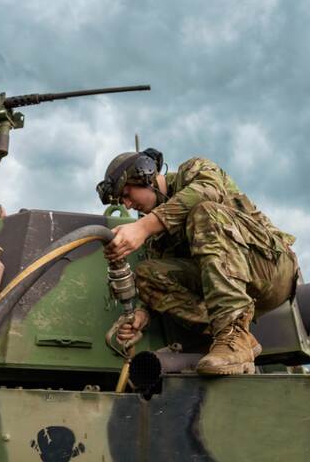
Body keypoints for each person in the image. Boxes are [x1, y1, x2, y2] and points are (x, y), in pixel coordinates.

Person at [97, 149, 298, 375]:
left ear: (145, 174)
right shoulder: (156, 236)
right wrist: (143, 316)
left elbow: (209, 190)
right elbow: (164, 281)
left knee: (205, 212)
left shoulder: (193, 170)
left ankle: (232, 334)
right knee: (147, 274)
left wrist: (143, 227)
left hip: (271, 268)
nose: (127, 205)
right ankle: (236, 336)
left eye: (126, 194)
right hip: (227, 282)